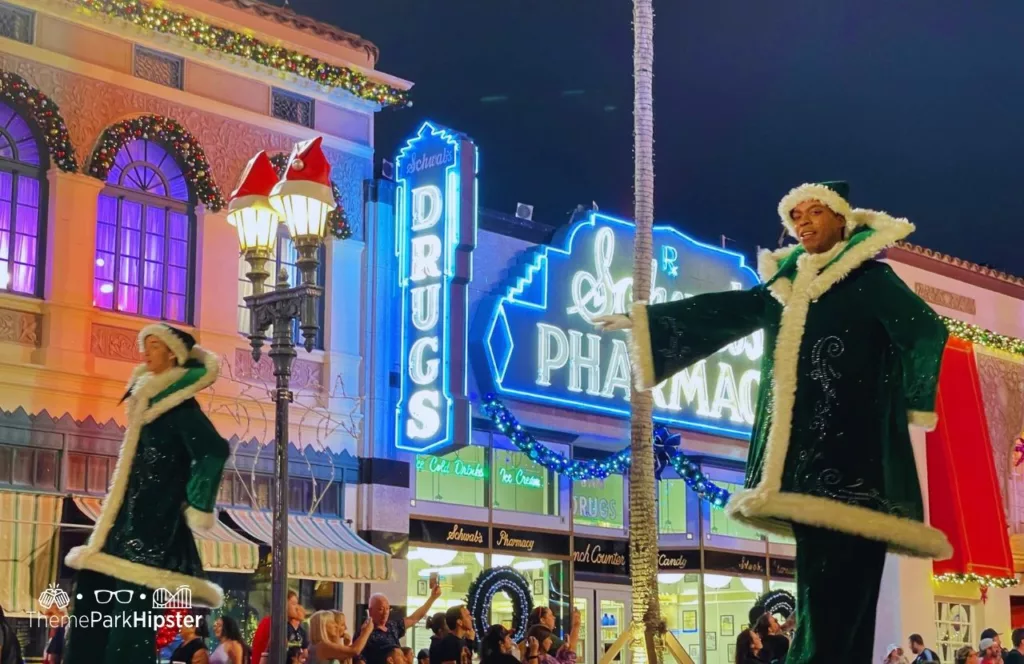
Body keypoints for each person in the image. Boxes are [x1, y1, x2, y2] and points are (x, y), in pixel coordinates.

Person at [596, 181, 950, 664]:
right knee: (824, 594)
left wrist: (907, 403)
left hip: (856, 466)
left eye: (814, 213)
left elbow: (924, 331)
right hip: (804, 468)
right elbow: (728, 312)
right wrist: (645, 322)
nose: (802, 223)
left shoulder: (871, 281)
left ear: (842, 219)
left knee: (844, 597)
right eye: (795, 216)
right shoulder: (786, 288)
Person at [63, 324, 230, 664]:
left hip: (154, 526)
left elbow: (213, 450)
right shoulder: (147, 399)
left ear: (172, 353)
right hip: (123, 519)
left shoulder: (180, 407)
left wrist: (196, 502)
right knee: (92, 595)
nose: (146, 352)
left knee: (132, 612)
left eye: (153, 346)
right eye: (146, 345)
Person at [364, 584, 442, 664]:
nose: (385, 613)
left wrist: (432, 598)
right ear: (370, 611)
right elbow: (359, 658)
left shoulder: (392, 626)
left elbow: (413, 618)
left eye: (387, 609)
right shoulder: (364, 633)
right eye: (380, 609)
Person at [308, 610, 373, 664]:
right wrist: (366, 631)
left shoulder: (320, 646)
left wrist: (346, 645)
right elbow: (355, 650)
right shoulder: (322, 646)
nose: (336, 626)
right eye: (332, 623)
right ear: (322, 626)